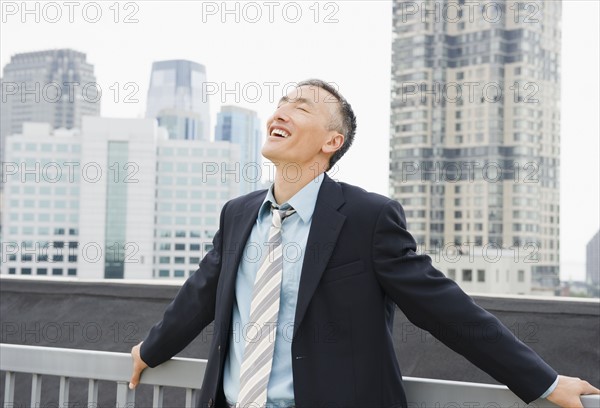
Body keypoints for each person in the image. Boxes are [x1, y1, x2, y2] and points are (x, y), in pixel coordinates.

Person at [130, 79, 599, 408]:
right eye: (282, 101)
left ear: (332, 141)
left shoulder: (368, 218)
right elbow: (200, 295)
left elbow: (445, 310)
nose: (281, 110)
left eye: (302, 106)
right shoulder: (238, 213)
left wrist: (543, 381)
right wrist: (149, 350)